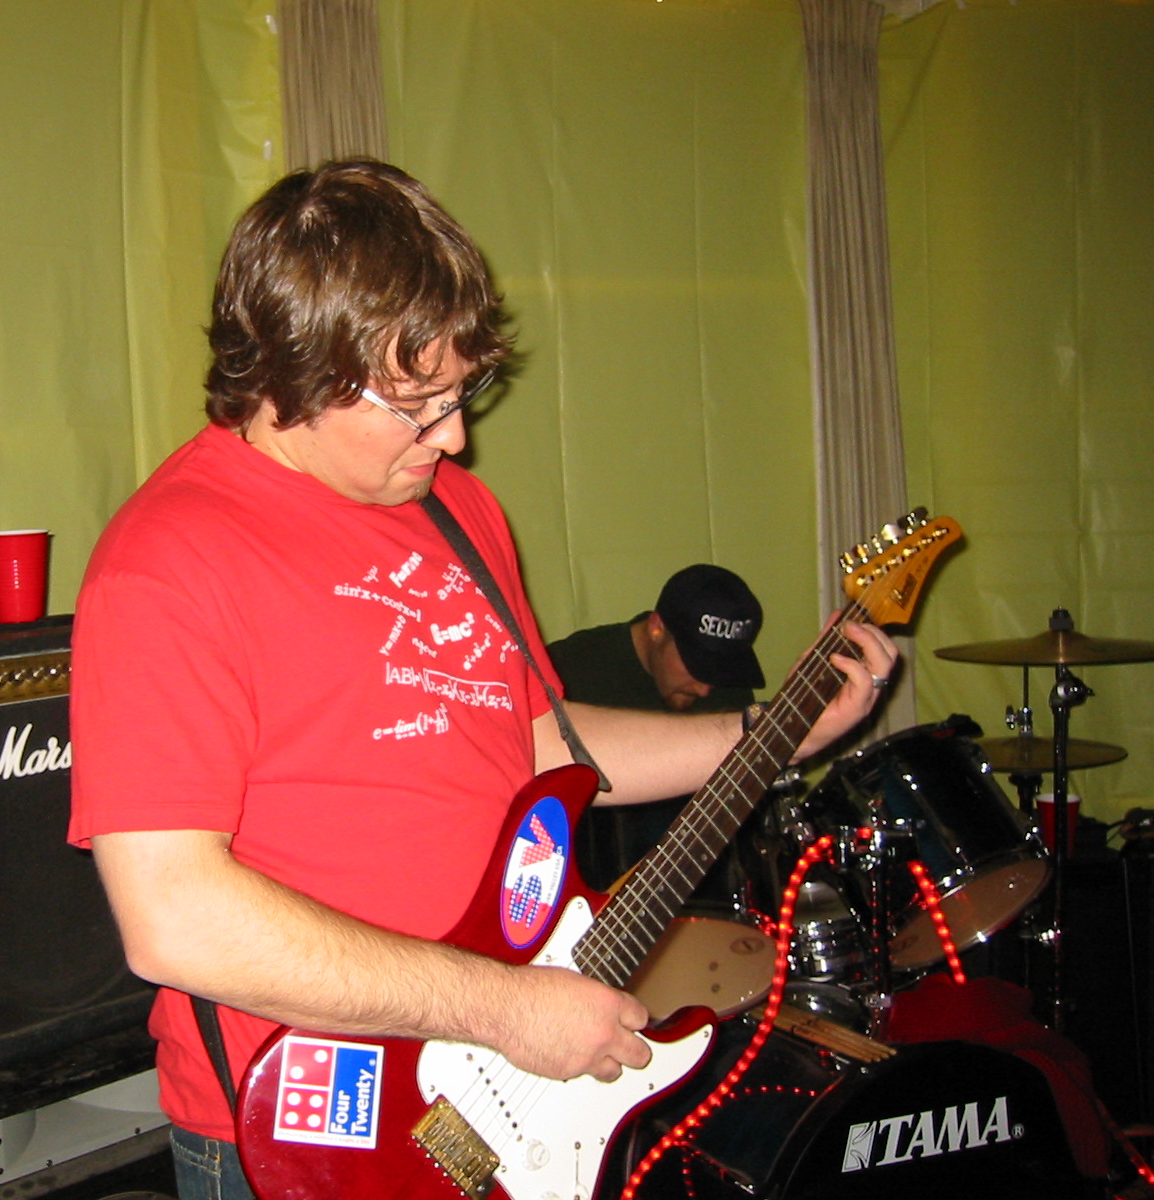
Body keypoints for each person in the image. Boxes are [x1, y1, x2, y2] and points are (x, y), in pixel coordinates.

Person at [68, 159, 897, 1200]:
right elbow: (174, 915)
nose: (455, 435)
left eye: (462, 393)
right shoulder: (170, 560)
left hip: (505, 1092)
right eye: (419, 405)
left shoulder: (458, 510)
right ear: (293, 375)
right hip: (317, 1133)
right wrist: (503, 1009)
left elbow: (540, 744)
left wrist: (777, 732)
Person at [546, 564, 766, 890]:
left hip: (700, 884)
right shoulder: (568, 672)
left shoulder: (727, 690)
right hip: (590, 891)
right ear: (657, 628)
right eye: (696, 666)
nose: (706, 688)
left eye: (719, 670)